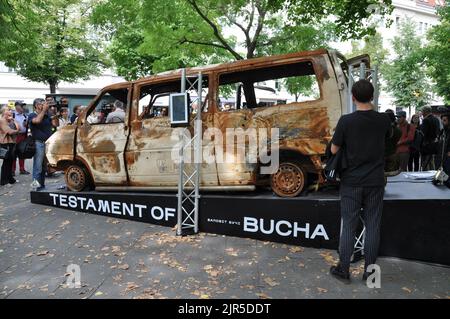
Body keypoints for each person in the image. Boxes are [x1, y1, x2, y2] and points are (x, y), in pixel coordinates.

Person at [329, 80, 391, 284]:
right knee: (373, 226)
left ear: (353, 97)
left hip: (352, 182)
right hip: (375, 181)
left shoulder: (346, 121)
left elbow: (334, 150)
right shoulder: (383, 120)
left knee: (349, 225)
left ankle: (344, 270)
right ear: (372, 96)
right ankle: (371, 274)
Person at [28, 98, 53, 190]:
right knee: (37, 167)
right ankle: (35, 188)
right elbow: (37, 121)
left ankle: (41, 186)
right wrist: (43, 111)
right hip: (39, 143)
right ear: (36, 105)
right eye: (42, 103)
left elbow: (55, 124)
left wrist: (53, 114)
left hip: (48, 143)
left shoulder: (47, 115)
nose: (44, 105)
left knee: (44, 167)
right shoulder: (32, 115)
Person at [0, 106, 20, 186]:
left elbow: (19, 127)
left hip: (11, 143)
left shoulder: (9, 120)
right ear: (4, 112)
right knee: (6, 162)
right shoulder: (2, 120)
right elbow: (9, 132)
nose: (11, 111)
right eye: (9, 110)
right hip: (5, 143)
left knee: (11, 161)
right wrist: (17, 131)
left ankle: (10, 179)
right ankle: (4, 181)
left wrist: (13, 120)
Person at [12, 101, 30, 175]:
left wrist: (27, 125)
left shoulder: (25, 115)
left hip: (23, 136)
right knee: (14, 153)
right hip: (15, 136)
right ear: (16, 106)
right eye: (21, 106)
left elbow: (27, 126)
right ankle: (12, 170)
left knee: (22, 153)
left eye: (23, 106)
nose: (23, 107)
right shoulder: (12, 114)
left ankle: (22, 169)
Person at [421, 106, 440, 171]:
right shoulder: (436, 119)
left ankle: (425, 177)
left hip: (426, 144)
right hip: (434, 143)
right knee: (431, 161)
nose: (422, 113)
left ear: (425, 112)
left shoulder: (425, 120)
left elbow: (423, 133)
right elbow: (438, 131)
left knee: (425, 163)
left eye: (422, 111)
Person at [384, 109, 402, 176]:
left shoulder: (383, 129)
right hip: (393, 153)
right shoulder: (398, 130)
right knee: (392, 178)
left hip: (383, 155)